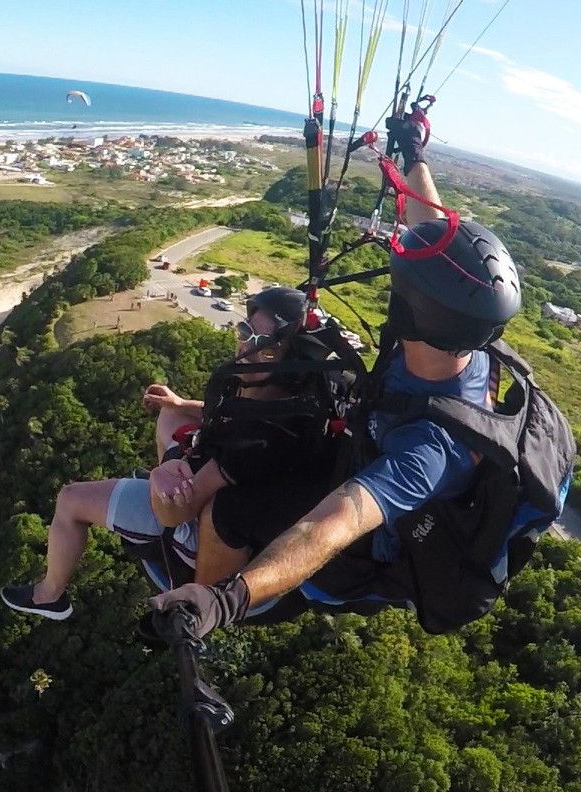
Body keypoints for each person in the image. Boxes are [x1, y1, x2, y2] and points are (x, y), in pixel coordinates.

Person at [150, 112, 523, 637]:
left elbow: (334, 525)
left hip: (368, 549)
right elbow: (434, 231)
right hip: (358, 448)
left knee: (228, 513)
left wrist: (226, 599)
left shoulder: (431, 447)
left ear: (412, 313)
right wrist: (413, 156)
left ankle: (205, 606)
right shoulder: (460, 336)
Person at [0, 285, 337, 619]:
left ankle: (49, 595)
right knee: (170, 414)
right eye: (245, 330)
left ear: (289, 363)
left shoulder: (258, 439)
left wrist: (168, 467)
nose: (246, 346)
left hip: (192, 531)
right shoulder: (272, 398)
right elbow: (222, 412)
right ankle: (162, 477)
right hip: (208, 482)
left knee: (70, 500)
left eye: (265, 347)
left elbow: (175, 513)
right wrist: (179, 405)